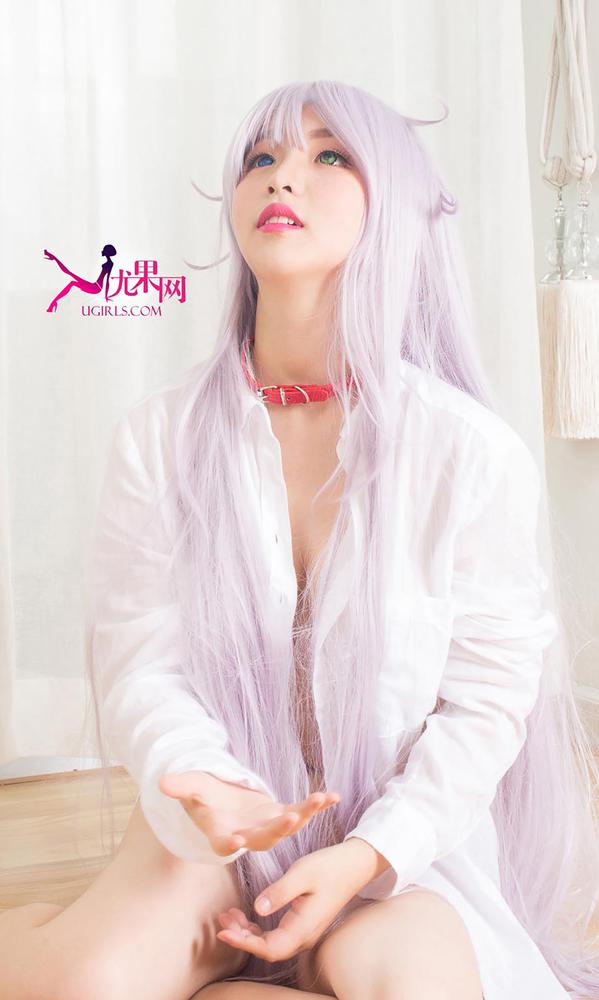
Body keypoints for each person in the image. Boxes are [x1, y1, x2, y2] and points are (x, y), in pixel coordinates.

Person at [2, 80, 598, 1000]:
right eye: (262, 157)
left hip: (401, 859)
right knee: (87, 987)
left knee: (406, 984)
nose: (283, 176)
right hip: (209, 844)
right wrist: (202, 784)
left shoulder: (468, 452)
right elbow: (141, 663)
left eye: (328, 155)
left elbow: (484, 707)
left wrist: (365, 856)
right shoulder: (158, 438)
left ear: (392, 203)